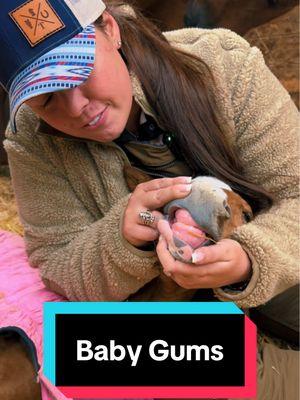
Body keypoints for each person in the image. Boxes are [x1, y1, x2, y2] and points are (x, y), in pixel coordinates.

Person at [0, 0, 299, 397]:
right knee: (72, 350)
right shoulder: (30, 140)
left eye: (79, 69)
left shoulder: (224, 66)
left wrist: (248, 260)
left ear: (110, 28)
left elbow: (295, 191)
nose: (77, 107)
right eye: (46, 98)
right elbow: (57, 261)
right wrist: (123, 238)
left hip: (284, 280)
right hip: (172, 318)